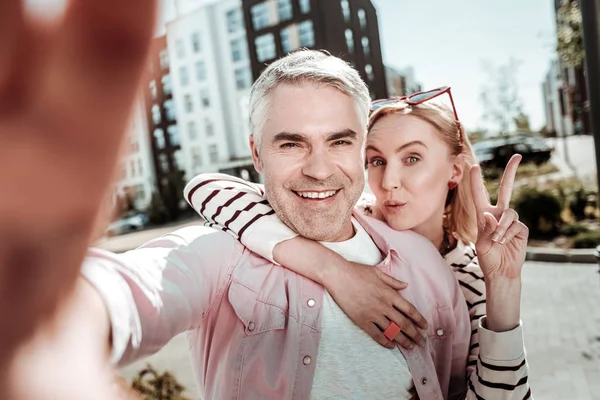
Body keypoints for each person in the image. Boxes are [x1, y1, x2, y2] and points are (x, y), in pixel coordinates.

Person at [186, 89, 531, 399]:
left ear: (455, 171)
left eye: (412, 158)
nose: (389, 182)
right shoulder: (349, 219)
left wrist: (502, 286)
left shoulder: (470, 275)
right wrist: (333, 268)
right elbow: (208, 190)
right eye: (376, 161)